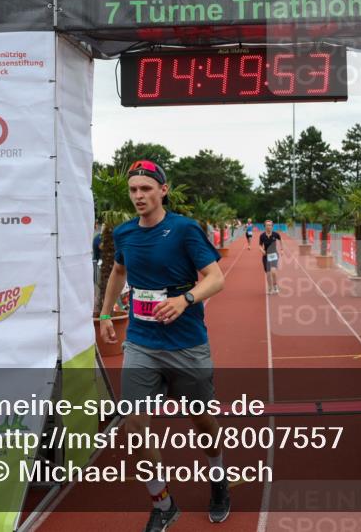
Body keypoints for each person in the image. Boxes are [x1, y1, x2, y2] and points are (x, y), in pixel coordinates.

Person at [97, 159, 228, 531]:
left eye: (146, 189)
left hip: (186, 343)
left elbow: (215, 278)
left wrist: (185, 300)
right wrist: (107, 314)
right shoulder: (124, 234)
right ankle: (163, 502)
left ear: (162, 190)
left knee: (202, 420)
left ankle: (218, 478)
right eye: (134, 190)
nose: (139, 195)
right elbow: (119, 272)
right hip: (141, 341)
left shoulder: (185, 230)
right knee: (133, 423)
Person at [259, 219, 284, 295]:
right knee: (268, 274)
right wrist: (261, 250)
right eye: (267, 225)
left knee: (273, 271)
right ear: (264, 226)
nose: (268, 227)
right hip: (266, 256)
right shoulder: (262, 236)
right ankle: (270, 288)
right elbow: (260, 245)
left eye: (270, 225)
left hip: (274, 255)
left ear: (272, 226)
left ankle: (275, 286)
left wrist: (282, 249)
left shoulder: (275, 234)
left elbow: (280, 240)